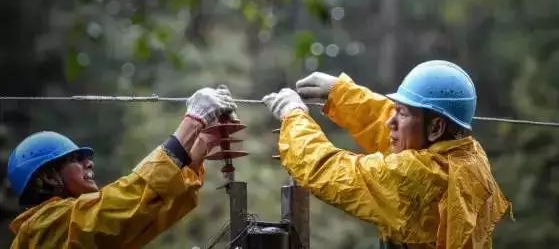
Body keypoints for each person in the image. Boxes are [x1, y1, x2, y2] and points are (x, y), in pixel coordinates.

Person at [263, 60, 510, 249]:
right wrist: (340, 93)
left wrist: (293, 115)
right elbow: (399, 129)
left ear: (436, 127)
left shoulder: (415, 178)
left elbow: (326, 169)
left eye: (401, 113)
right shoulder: (469, 155)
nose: (390, 121)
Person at [7, 86, 236, 249]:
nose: (89, 162)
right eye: (75, 159)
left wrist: (205, 141)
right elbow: (126, 200)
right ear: (46, 178)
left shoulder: (76, 231)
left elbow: (152, 209)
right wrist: (194, 120)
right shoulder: (42, 229)